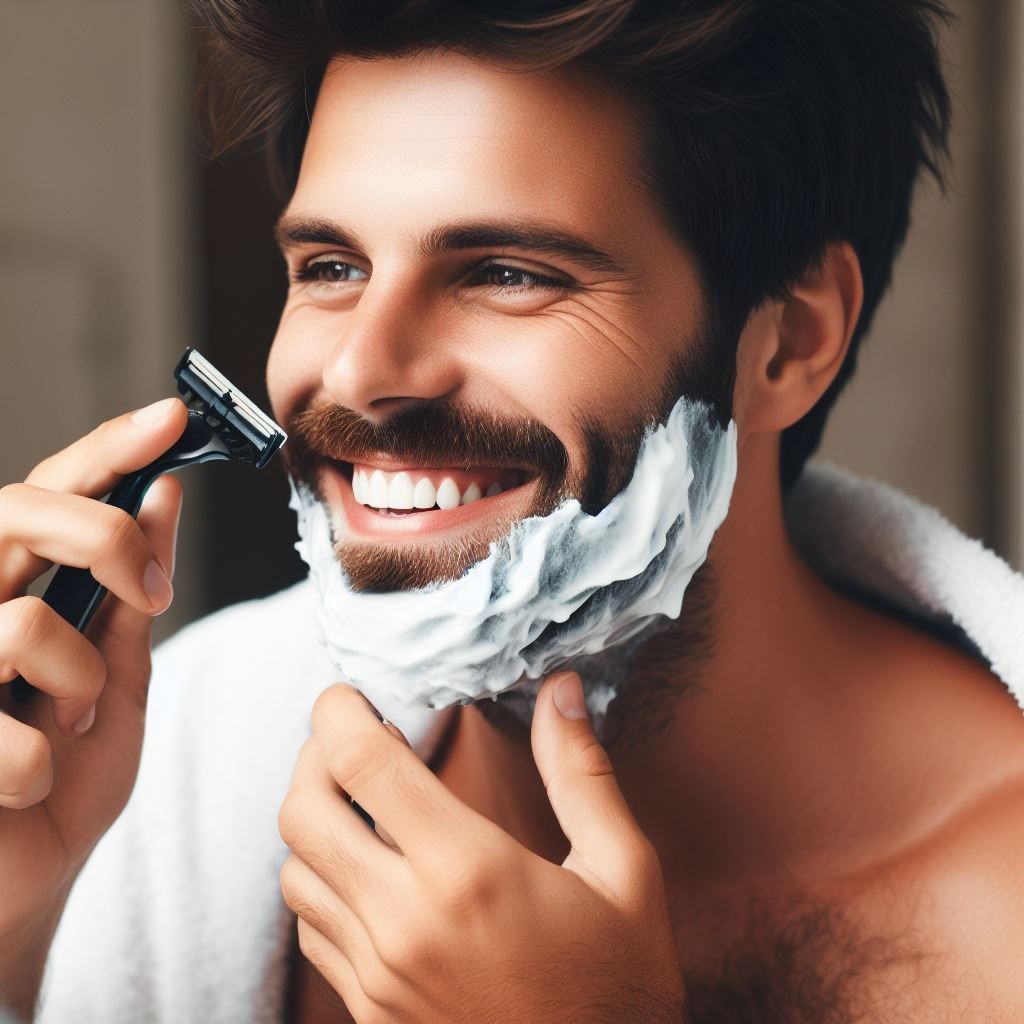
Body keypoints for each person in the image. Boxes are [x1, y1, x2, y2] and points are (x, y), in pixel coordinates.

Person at [3, 1, 1023, 1021]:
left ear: (787, 343)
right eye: (332, 268)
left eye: (505, 274)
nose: (360, 370)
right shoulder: (165, 786)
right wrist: (13, 933)